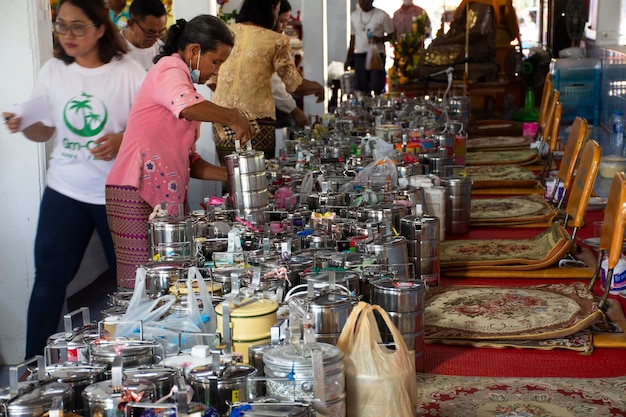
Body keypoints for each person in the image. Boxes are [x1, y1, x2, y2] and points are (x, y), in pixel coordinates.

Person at [2, 0, 146, 359]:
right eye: (61, 25)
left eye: (78, 26)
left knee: (131, 285)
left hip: (118, 193)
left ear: (100, 28)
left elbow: (149, 129)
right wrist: (25, 124)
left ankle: (136, 362)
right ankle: (32, 369)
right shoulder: (53, 70)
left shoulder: (127, 72)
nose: (67, 35)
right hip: (65, 190)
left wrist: (120, 140)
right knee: (48, 281)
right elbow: (45, 130)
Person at [105, 15, 255, 289]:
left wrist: (233, 176)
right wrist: (233, 117)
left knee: (168, 281)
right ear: (195, 51)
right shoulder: (169, 69)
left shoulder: (185, 87)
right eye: (216, 61)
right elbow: (184, 106)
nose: (217, 71)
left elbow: (188, 162)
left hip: (162, 199)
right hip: (135, 190)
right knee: (142, 282)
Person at [211, 0, 324, 162]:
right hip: (257, 123)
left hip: (222, 119)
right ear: (272, 7)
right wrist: (317, 87)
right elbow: (294, 85)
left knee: (229, 175)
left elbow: (211, 79)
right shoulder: (276, 40)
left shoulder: (224, 32)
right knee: (258, 178)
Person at [345, 0, 394, 96]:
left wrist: (379, 39)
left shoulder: (382, 15)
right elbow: (352, 38)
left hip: (376, 56)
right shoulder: (354, 16)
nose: (362, 2)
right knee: (361, 87)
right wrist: (348, 59)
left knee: (377, 85)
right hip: (360, 55)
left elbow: (391, 35)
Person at [272, 0, 308, 129]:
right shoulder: (270, 41)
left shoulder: (280, 39)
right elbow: (274, 84)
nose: (285, 26)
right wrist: (295, 110)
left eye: (287, 21)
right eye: (282, 21)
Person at [121, 0, 167, 71]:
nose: (155, 39)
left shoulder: (160, 50)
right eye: (150, 34)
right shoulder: (112, 50)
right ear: (131, 24)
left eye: (160, 32)